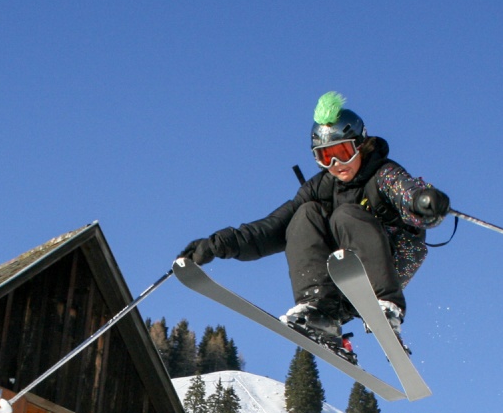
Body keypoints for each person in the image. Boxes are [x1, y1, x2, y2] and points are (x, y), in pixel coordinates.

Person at [180, 91, 450, 344]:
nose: (336, 165)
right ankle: (320, 310)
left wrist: (423, 201)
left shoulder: (383, 174)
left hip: (388, 261)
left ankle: (385, 305)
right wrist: (216, 244)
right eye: (326, 156)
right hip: (342, 269)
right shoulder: (319, 187)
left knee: (346, 215)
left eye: (342, 153)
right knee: (303, 214)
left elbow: (407, 192)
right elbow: (273, 227)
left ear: (361, 145)